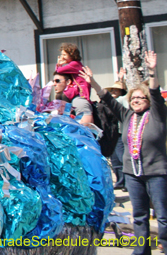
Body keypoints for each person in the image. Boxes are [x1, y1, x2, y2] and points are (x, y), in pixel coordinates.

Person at [84, 53, 166, 255]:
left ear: (148, 100)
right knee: (139, 215)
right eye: (133, 98)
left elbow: (155, 92)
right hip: (133, 173)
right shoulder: (127, 114)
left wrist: (153, 71)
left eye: (141, 98)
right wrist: (92, 82)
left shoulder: (157, 115)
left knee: (163, 215)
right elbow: (107, 98)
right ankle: (141, 250)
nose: (136, 101)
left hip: (156, 172)